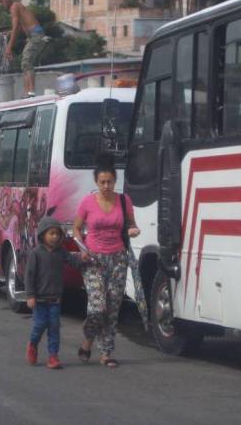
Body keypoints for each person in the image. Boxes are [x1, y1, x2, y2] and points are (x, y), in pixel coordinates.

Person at [72, 154, 141, 368]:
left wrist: (133, 230)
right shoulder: (87, 202)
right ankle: (88, 340)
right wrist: (81, 249)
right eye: (102, 182)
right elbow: (75, 228)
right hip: (93, 259)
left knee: (112, 307)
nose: (106, 186)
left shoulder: (124, 201)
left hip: (118, 259)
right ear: (96, 182)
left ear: (115, 181)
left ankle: (106, 353)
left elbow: (131, 224)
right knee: (97, 306)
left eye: (109, 181)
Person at [25, 216, 89, 369]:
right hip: (39, 299)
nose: (55, 237)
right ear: (42, 235)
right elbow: (29, 276)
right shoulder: (36, 253)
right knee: (40, 325)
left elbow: (73, 261)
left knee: (54, 327)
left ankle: (53, 356)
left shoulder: (61, 252)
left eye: (57, 234)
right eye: (51, 233)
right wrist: (30, 296)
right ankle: (33, 344)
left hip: (55, 299)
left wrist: (83, 258)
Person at [0, 0, 49, 97]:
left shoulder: (14, 7)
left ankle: (31, 91)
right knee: (24, 64)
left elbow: (15, 28)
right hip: (33, 36)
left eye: (1, 1)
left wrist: (9, 47)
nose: (1, 4)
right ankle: (26, 92)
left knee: (26, 62)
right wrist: (8, 33)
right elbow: (19, 28)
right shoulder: (16, 7)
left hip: (36, 36)